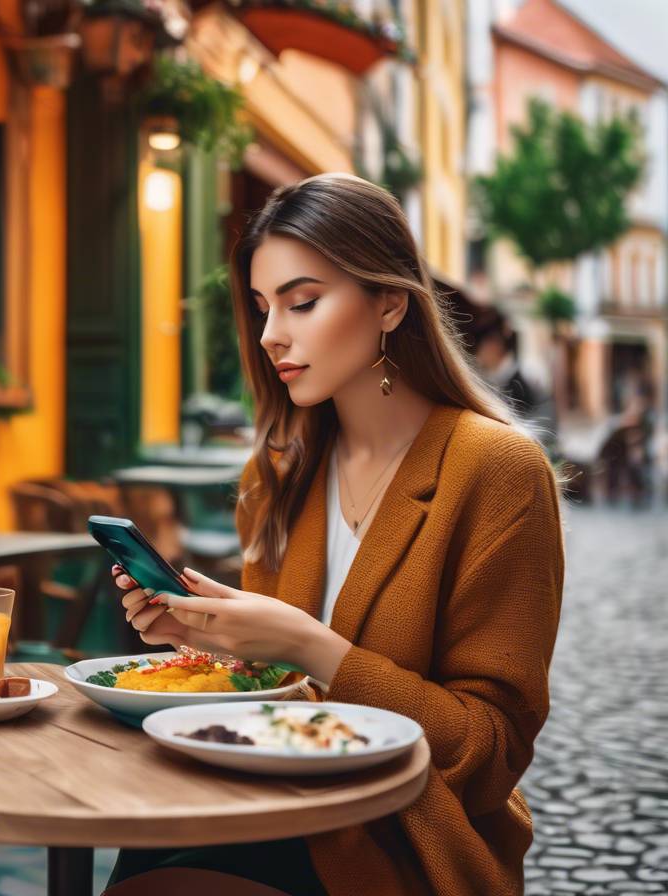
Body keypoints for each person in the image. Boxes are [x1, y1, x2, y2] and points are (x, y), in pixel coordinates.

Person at [109, 174, 564, 895]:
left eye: (303, 301)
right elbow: (282, 700)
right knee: (139, 853)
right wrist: (206, 638)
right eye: (262, 308)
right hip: (260, 798)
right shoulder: (278, 471)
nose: (270, 336)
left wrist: (307, 645)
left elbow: (490, 751)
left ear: (389, 302)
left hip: (404, 837)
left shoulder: (496, 469)